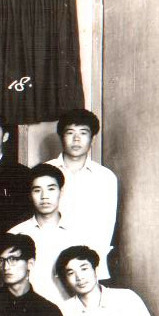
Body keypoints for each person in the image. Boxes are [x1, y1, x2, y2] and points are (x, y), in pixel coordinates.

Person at [47, 109, 117, 277]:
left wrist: (92, 265)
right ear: (61, 136)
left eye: (83, 133)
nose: (76, 139)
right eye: (70, 132)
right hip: (50, 263)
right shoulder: (44, 171)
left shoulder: (105, 177)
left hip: (90, 267)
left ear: (93, 138)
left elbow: (105, 226)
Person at [8, 163, 89, 305]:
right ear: (30, 194)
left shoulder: (80, 234)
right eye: (37, 190)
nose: (44, 196)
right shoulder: (15, 234)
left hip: (71, 311)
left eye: (51, 189)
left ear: (61, 192)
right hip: (29, 310)